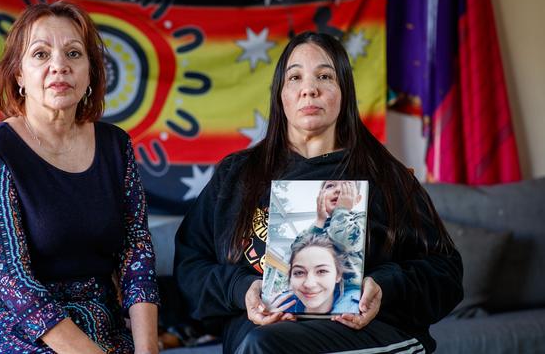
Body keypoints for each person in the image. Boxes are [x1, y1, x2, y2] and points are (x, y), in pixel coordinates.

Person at [174, 31, 462, 354]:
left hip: (366, 334)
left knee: (262, 346)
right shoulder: (236, 176)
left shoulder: (385, 175)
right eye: (295, 77)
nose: (309, 89)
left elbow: (446, 272)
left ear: (343, 92)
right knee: (258, 342)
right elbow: (189, 267)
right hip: (260, 337)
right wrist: (242, 289)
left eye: (324, 76)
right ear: (280, 95)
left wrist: (384, 287)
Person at [0, 1, 159, 354]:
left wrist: (148, 350)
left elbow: (136, 251)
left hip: (98, 317)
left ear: (91, 73)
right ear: (18, 74)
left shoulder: (116, 145)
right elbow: (13, 281)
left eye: (73, 53)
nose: (59, 66)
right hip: (13, 323)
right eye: (40, 54)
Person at [271, 232, 359, 315]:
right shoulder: (277, 305)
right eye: (299, 272)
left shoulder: (358, 309)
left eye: (322, 271)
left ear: (338, 275)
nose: (309, 284)